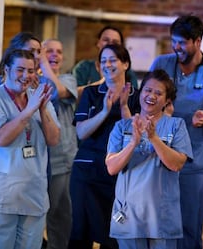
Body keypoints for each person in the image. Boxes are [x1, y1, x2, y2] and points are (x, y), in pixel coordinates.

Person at [150, 15, 203, 249]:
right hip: (158, 158)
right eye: (174, 41)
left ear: (198, 42)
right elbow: (146, 100)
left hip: (193, 162)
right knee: (157, 225)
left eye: (182, 42)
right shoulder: (161, 64)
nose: (176, 47)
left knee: (189, 228)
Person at [0, 49, 60, 249]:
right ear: (6, 69)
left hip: (32, 196)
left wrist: (42, 110)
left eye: (31, 70)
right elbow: (1, 138)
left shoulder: (39, 99)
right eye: (20, 70)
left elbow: (53, 139)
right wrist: (29, 110)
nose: (26, 76)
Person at [105, 69, 193, 249]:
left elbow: (177, 164)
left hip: (162, 216)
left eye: (158, 93)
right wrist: (132, 143)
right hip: (128, 214)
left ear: (167, 100)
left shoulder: (176, 125)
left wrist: (154, 138)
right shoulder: (122, 127)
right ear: (141, 92)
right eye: (147, 90)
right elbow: (112, 168)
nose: (151, 96)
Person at [69, 44, 140, 249]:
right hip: (87, 172)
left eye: (113, 60)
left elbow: (134, 132)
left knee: (114, 235)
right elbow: (81, 132)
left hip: (119, 175)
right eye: (103, 61)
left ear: (125, 63)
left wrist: (124, 107)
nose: (107, 65)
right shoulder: (91, 93)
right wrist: (104, 111)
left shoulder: (138, 95)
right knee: (79, 232)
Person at [41, 38, 78, 249]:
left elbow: (57, 92)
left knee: (59, 216)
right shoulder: (31, 80)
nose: (54, 55)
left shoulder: (67, 79)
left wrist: (43, 62)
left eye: (58, 51)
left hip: (62, 160)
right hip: (36, 162)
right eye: (49, 51)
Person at [72, 25, 139, 99]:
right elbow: (71, 95)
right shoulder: (83, 68)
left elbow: (134, 98)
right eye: (106, 40)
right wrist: (100, 84)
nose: (110, 44)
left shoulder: (129, 74)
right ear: (98, 43)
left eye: (115, 42)